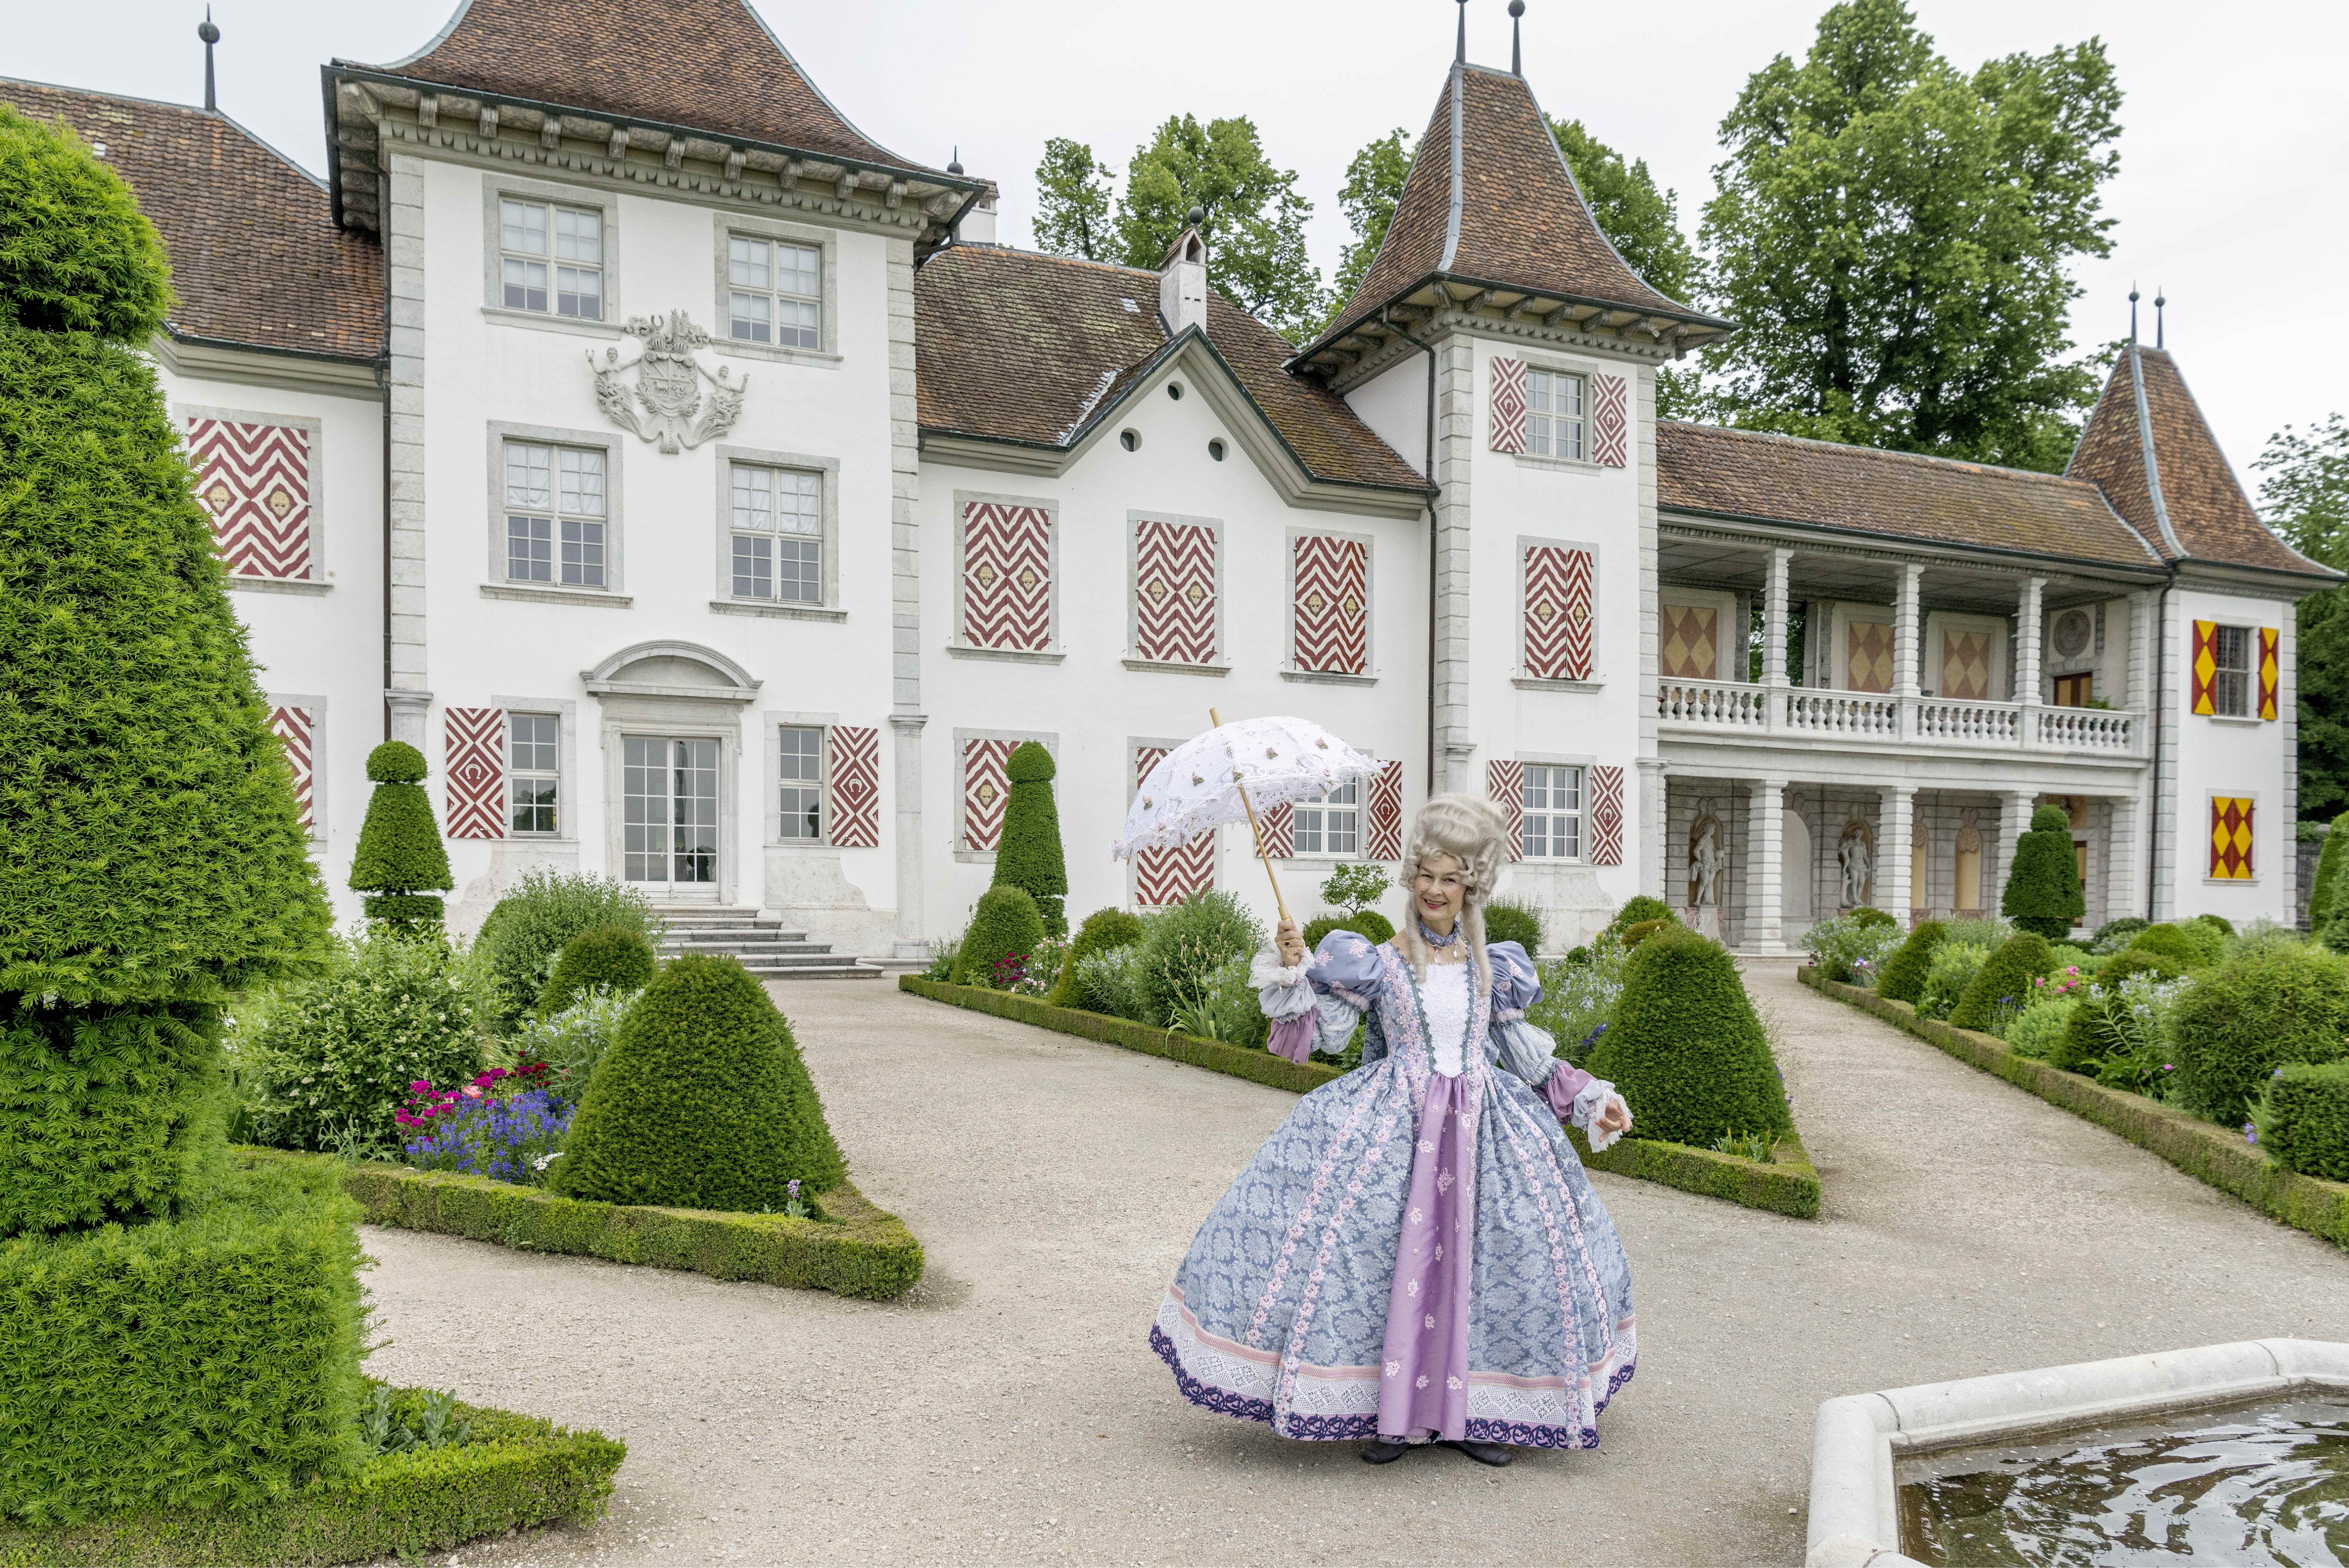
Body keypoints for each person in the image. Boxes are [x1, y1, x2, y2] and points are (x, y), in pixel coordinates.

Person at [1148, 794, 1636, 1466]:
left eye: (1450, 878)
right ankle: (1393, 1411)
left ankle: (1474, 1411)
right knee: (1380, 1263)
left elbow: (1525, 1055)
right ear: (1412, 877)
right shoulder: (1374, 960)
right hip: (1395, 1124)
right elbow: (1322, 1038)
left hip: (1482, 1130)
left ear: (1471, 886)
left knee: (1487, 1260)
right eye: (1427, 875)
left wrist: (1588, 1098)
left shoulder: (1491, 965)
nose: (1435, 890)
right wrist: (1294, 969)